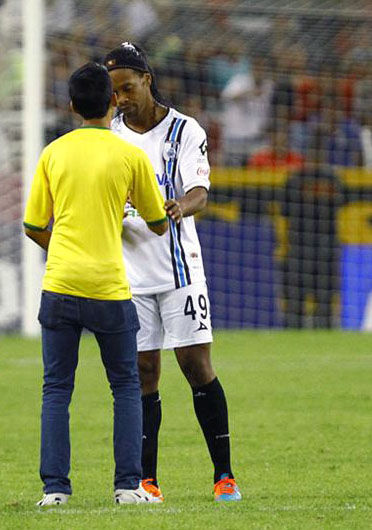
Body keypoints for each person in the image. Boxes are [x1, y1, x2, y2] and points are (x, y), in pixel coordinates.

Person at [23, 62, 168, 507]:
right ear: (113, 102)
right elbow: (159, 223)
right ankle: (128, 486)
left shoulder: (53, 153)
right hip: (109, 288)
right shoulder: (130, 156)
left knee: (56, 388)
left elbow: (33, 225)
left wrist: (67, 247)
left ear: (72, 106)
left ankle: (55, 490)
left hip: (61, 284)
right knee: (125, 387)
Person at [105, 42, 241, 503]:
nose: (121, 98)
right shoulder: (109, 135)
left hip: (179, 270)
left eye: (127, 88)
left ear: (147, 79)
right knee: (143, 371)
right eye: (114, 92)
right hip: (129, 274)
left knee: (195, 365)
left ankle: (224, 476)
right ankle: (147, 481)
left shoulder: (184, 130)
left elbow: (200, 191)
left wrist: (179, 206)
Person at [281, 128, 345, 328]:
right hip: (309, 247)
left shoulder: (299, 179)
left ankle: (305, 334)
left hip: (311, 248)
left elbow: (285, 211)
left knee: (316, 303)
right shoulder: (330, 179)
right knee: (303, 303)